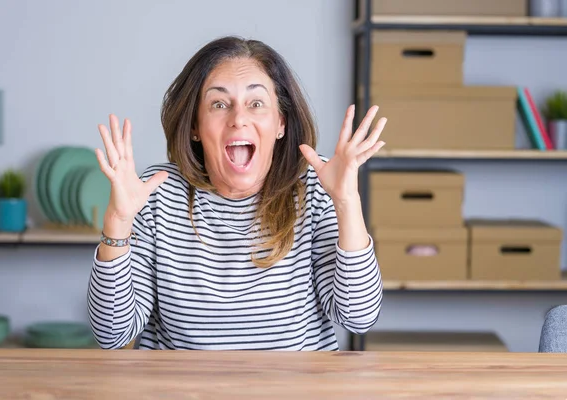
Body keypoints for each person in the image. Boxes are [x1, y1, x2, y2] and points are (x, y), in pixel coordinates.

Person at [87, 35, 387, 351]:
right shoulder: (157, 193)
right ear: (195, 127)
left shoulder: (316, 184)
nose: (239, 119)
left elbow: (358, 317)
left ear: (280, 123)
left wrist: (346, 203)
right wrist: (118, 221)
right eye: (219, 104)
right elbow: (112, 334)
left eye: (256, 103)